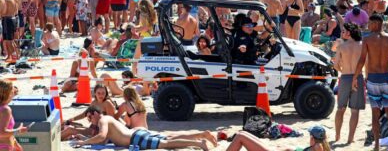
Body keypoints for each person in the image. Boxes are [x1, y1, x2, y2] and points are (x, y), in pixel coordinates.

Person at [352, 14, 388, 151]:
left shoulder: (367, 39)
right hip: (387, 78)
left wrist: (355, 77)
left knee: (375, 114)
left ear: (375, 24)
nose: (368, 25)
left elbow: (362, 60)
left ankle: (377, 146)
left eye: (369, 23)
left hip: (373, 79)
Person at [72, 106, 217, 150]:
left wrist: (84, 143)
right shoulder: (108, 120)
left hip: (135, 138)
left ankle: (199, 143)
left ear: (96, 113)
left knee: (166, 144)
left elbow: (102, 136)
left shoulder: (103, 119)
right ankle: (202, 134)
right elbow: (103, 141)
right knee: (169, 138)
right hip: (137, 134)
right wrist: (85, 138)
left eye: (90, 117)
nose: (90, 121)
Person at [333, 23, 365, 144]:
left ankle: (337, 136)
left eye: (343, 31)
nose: (341, 33)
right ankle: (350, 139)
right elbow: (365, 64)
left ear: (349, 33)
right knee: (355, 110)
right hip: (358, 77)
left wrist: (344, 71)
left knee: (340, 108)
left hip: (345, 77)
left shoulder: (342, 46)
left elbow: (335, 65)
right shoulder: (362, 45)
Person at [226, 125, 330, 151]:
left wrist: (317, 145)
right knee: (242, 133)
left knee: (241, 136)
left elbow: (318, 147)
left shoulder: (317, 147)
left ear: (312, 137)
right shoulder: (314, 147)